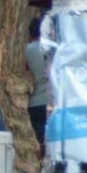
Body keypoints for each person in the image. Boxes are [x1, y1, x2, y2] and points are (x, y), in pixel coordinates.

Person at [27, 16, 51, 153]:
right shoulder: (54, 49)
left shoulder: (27, 50)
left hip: (34, 102)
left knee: (39, 141)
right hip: (51, 103)